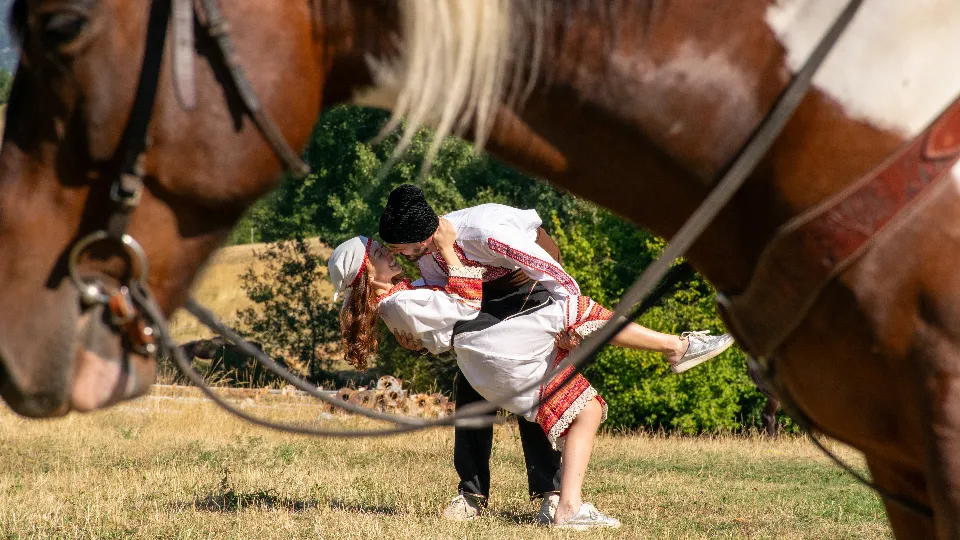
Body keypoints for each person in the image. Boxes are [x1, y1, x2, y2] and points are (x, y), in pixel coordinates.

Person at [328, 225, 733, 528]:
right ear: (366, 275)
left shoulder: (398, 295)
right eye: (381, 254)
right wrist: (451, 250)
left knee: (586, 407)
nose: (390, 256)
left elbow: (431, 328)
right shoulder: (399, 301)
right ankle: (676, 348)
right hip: (489, 350)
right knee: (574, 310)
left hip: (487, 350)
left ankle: (563, 503)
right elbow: (465, 302)